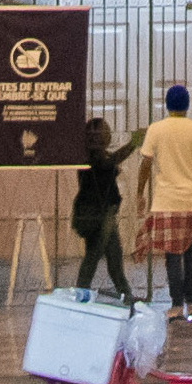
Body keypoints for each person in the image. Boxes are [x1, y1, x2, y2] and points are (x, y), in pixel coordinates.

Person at [133, 81, 192, 318]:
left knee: (172, 255)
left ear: (167, 105)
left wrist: (140, 193)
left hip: (166, 201)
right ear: (187, 105)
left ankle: (176, 304)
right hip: (191, 200)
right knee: (190, 253)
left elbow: (146, 163)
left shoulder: (156, 130)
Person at [64, 110, 139, 303]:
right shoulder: (92, 158)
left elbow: (109, 165)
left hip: (102, 214)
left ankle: (126, 295)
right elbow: (108, 165)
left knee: (113, 257)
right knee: (94, 256)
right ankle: (81, 295)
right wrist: (133, 144)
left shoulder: (92, 155)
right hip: (98, 216)